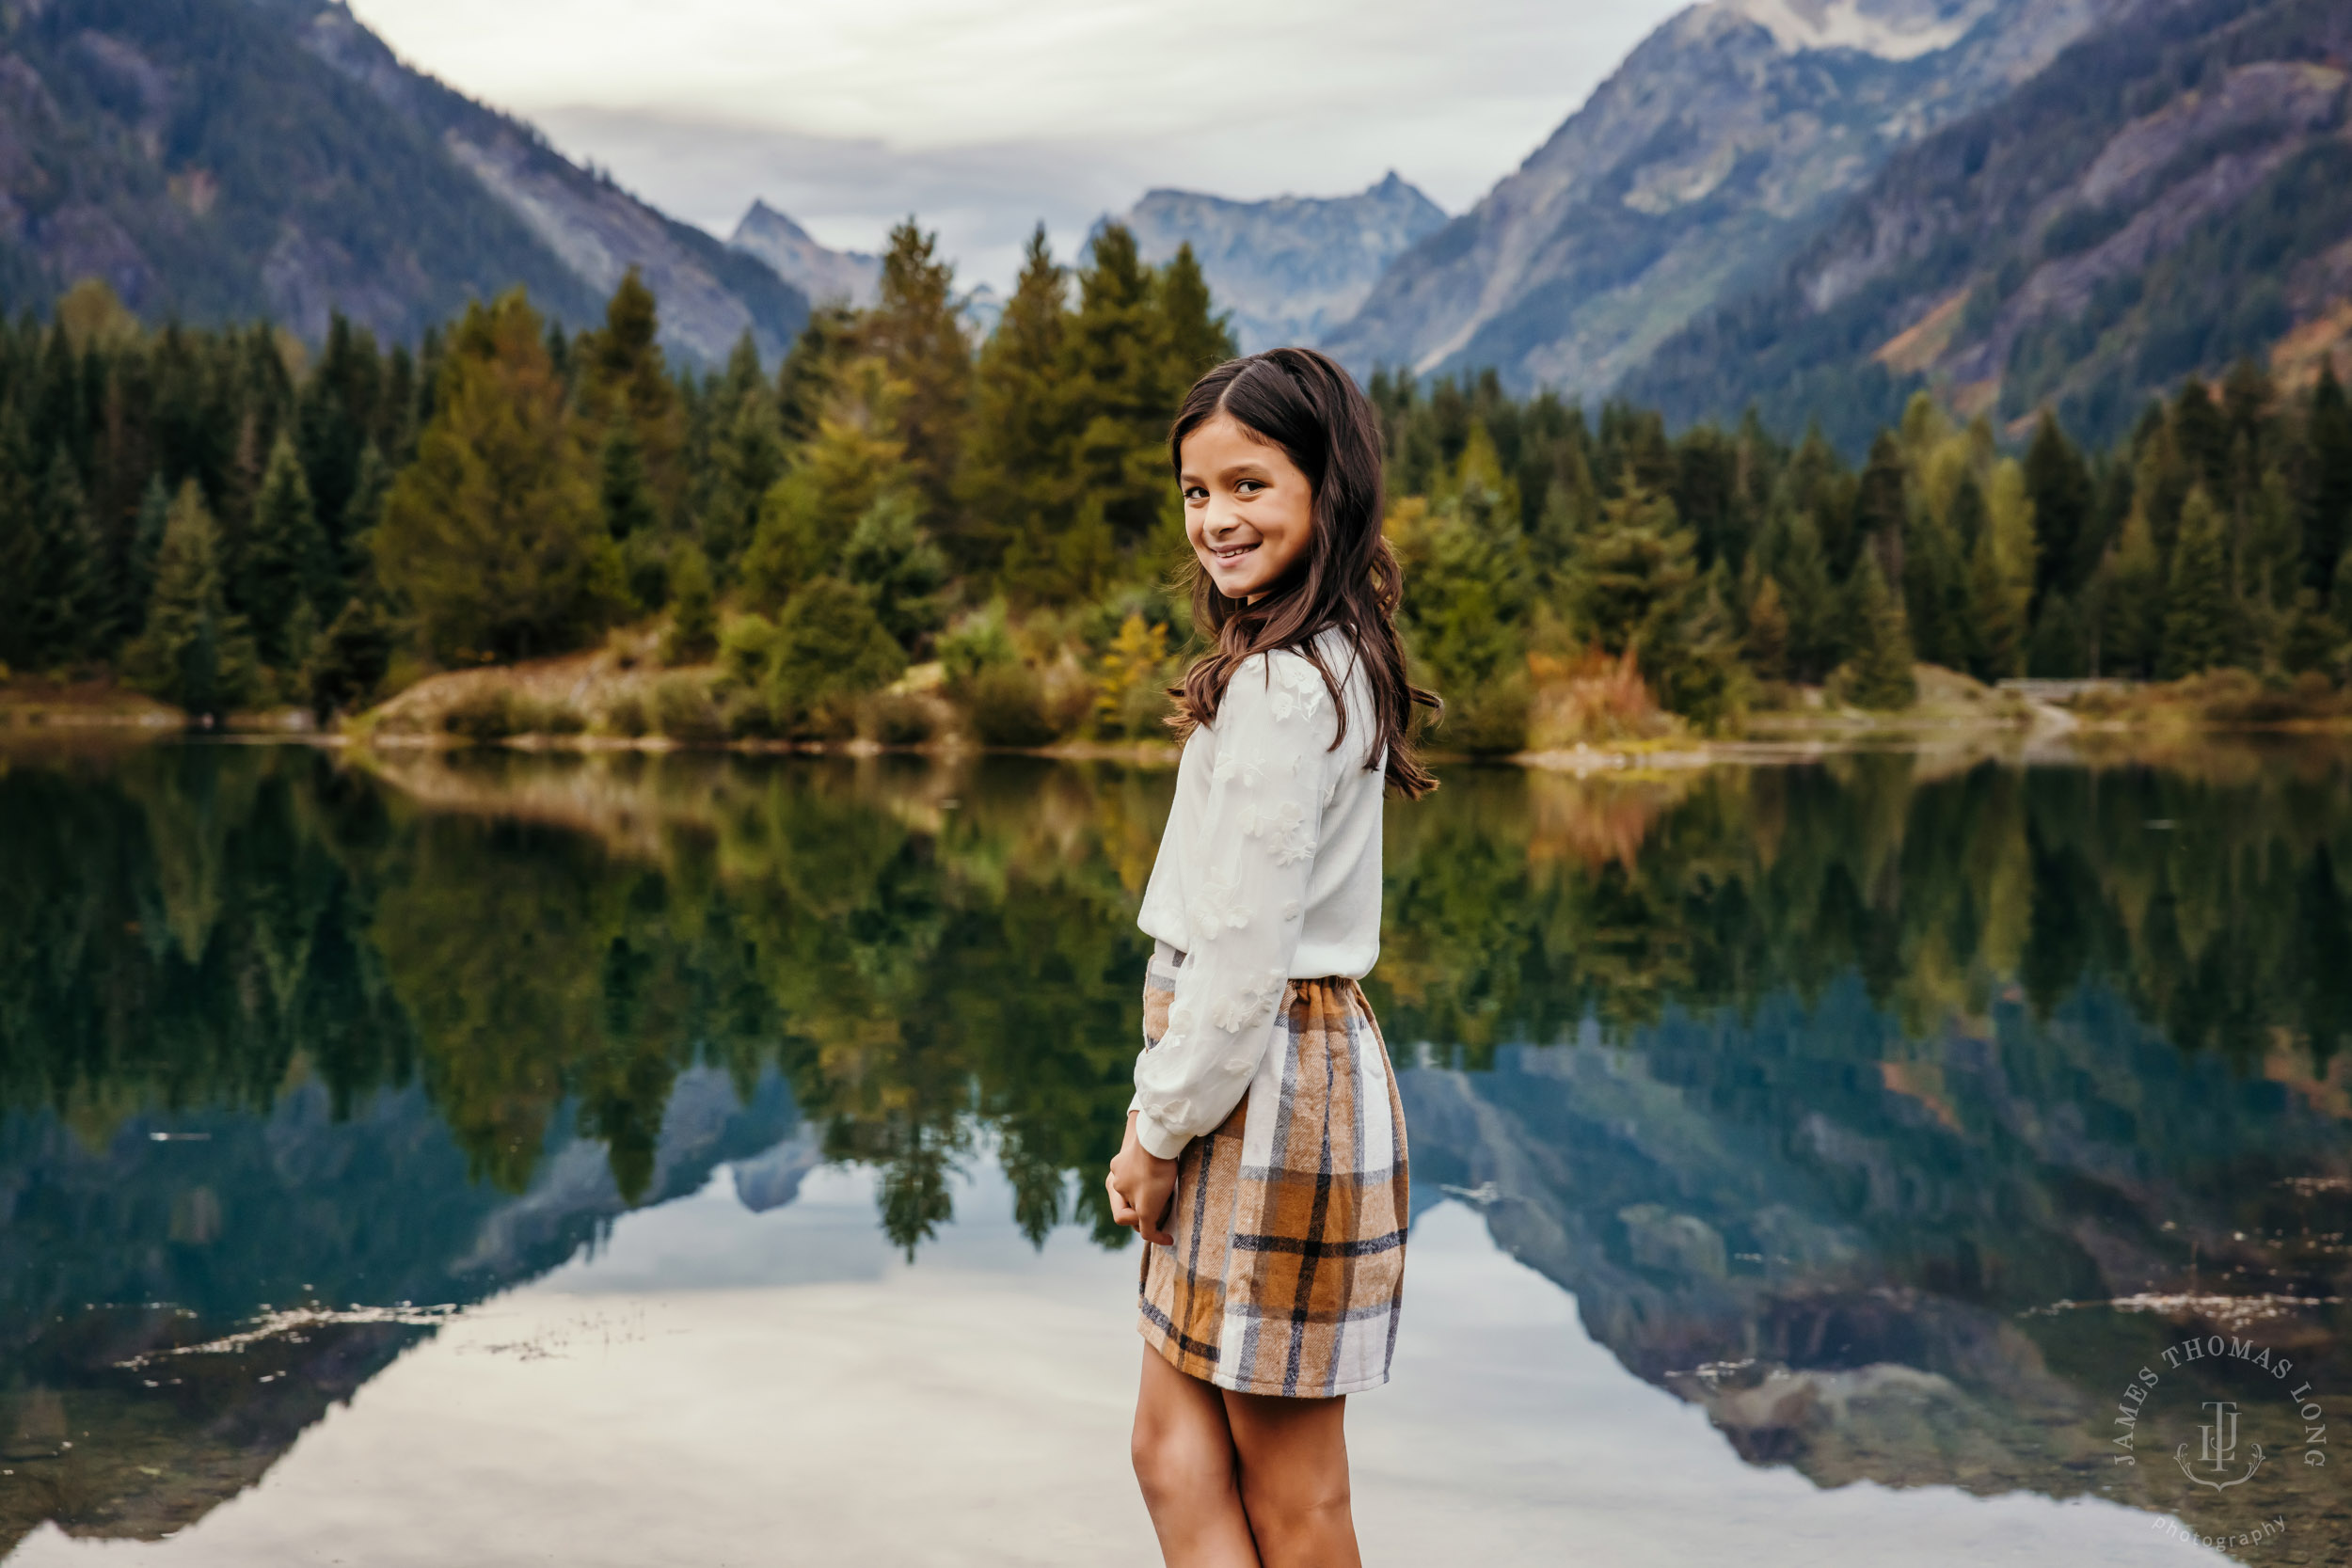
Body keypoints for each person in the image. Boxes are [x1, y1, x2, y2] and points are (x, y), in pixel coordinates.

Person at [1105, 347, 1438, 1567]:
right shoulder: (1313, 662)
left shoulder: (1290, 689)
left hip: (1264, 1094)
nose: (1215, 518)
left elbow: (1239, 969)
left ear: (1326, 487)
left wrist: (1151, 1133)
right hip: (1256, 1088)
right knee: (1168, 1442)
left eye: (1250, 484)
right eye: (1196, 491)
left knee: (1294, 1497)